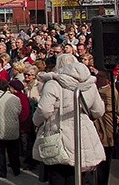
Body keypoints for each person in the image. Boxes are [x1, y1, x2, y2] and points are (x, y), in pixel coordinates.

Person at [33, 55, 105, 184]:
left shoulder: (53, 84)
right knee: (77, 175)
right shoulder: (89, 85)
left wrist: (35, 122)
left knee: (58, 174)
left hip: (58, 133)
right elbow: (98, 110)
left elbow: (44, 110)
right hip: (83, 132)